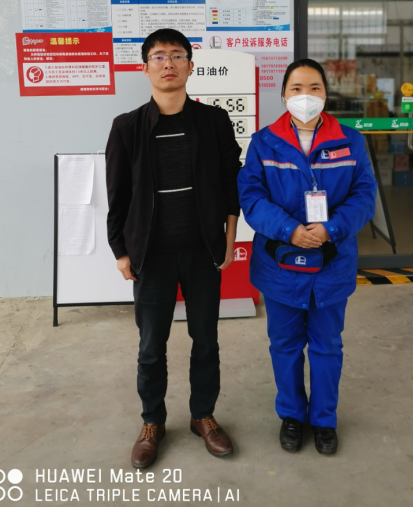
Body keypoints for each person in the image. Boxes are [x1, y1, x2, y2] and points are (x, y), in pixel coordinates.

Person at [105, 28, 241, 469]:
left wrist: (230, 238)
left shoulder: (213, 121)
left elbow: (230, 182)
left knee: (206, 339)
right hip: (152, 255)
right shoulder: (127, 127)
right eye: (159, 56)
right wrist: (120, 251)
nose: (169, 63)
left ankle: (203, 415)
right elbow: (117, 196)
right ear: (144, 67)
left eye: (177, 55)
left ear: (190, 66)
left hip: (202, 252)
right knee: (151, 345)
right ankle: (152, 422)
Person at [237, 59, 377, 455]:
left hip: (331, 264)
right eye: (297, 88)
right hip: (280, 264)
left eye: (314, 87)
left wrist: (331, 228)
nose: (305, 96)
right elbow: (251, 197)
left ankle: (324, 419)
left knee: (327, 346)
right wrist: (289, 230)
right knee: (284, 344)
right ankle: (292, 416)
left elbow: (364, 196)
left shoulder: (351, 141)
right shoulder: (265, 142)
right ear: (284, 94)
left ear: (326, 94)